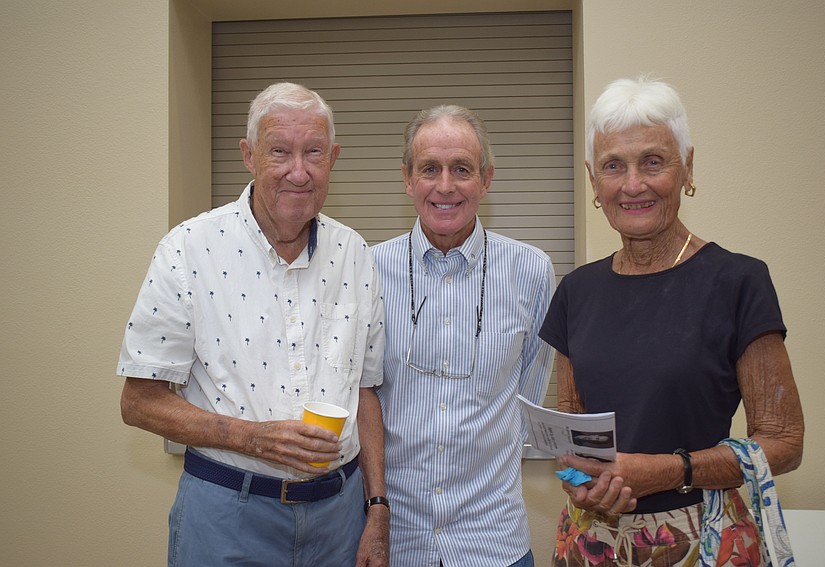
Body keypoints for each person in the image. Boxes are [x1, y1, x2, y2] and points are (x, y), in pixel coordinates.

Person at [117, 82, 389, 567]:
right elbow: (138, 402)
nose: (298, 171)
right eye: (279, 151)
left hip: (340, 520)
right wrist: (250, 437)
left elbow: (364, 392)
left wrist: (377, 507)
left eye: (314, 152)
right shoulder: (188, 250)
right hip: (226, 515)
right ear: (248, 155)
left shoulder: (355, 254)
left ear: (333, 158)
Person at [539, 76, 804, 567]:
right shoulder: (576, 291)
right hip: (591, 541)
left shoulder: (738, 281)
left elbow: (783, 443)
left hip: (703, 539)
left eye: (653, 162)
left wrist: (669, 470)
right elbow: (572, 432)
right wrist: (580, 483)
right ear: (593, 180)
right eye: (613, 166)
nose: (632, 184)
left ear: (687, 168)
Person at [371, 105, 556, 567]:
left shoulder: (532, 271)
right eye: (429, 169)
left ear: (486, 179)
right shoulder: (367, 270)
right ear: (407, 179)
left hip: (493, 543)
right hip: (396, 542)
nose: (445, 186)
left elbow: (526, 399)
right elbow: (359, 398)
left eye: (462, 169)